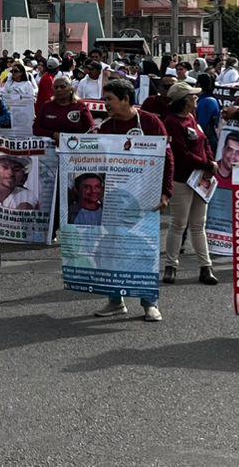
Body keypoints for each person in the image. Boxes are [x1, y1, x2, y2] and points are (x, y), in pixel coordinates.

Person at [92, 78, 173, 322]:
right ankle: (115, 301)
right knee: (113, 250)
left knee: (144, 250)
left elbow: (167, 158)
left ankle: (150, 303)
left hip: (145, 198)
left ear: (126, 99)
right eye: (104, 99)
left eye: (109, 99)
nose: (105, 104)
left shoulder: (150, 122)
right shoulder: (105, 128)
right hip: (115, 200)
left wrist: (166, 192)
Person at [161, 81, 218, 286]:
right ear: (184, 101)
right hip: (183, 179)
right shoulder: (172, 122)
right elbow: (182, 153)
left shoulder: (191, 118)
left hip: (200, 178)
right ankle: (171, 266)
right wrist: (206, 163)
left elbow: (203, 143)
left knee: (198, 225)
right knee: (178, 224)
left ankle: (206, 267)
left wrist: (210, 162)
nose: (196, 99)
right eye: (193, 96)